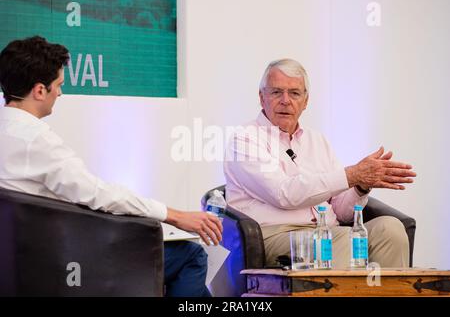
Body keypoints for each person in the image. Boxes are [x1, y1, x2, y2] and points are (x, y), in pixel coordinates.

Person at [0, 36, 222, 297]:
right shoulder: (36, 140)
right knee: (190, 255)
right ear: (39, 90)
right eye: (58, 85)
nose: (61, 93)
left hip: (18, 261)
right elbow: (99, 195)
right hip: (61, 260)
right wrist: (174, 215)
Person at [224, 58, 416, 268]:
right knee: (336, 242)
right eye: (276, 92)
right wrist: (351, 175)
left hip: (326, 231)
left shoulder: (317, 141)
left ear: (305, 101)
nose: (285, 100)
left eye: (295, 93)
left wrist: (360, 186)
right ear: (262, 98)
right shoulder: (245, 139)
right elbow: (284, 194)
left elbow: (342, 212)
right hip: (274, 235)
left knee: (390, 229)